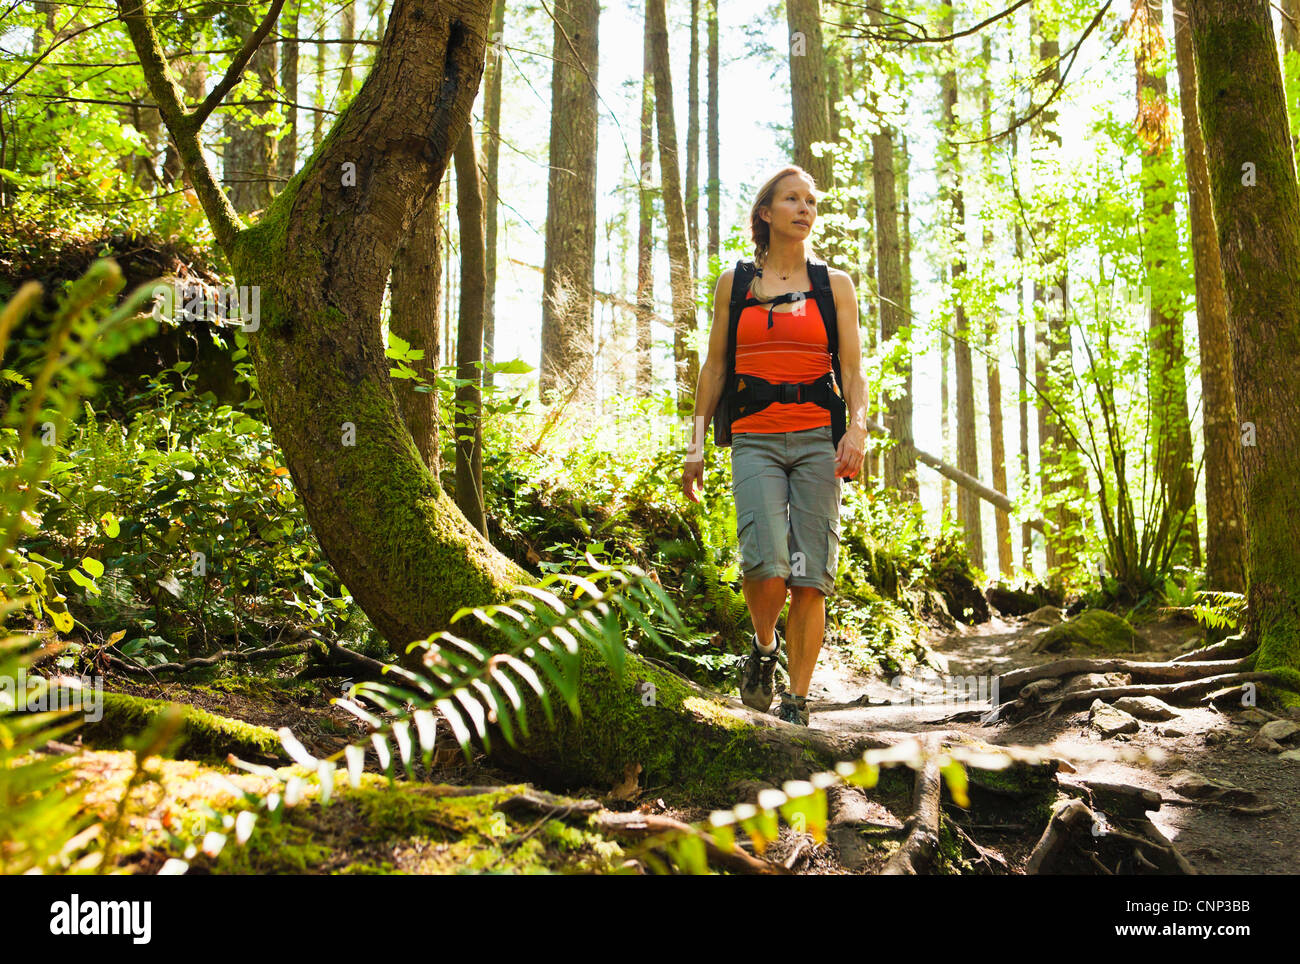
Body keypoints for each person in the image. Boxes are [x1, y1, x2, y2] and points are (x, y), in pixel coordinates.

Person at [681, 165, 867, 726]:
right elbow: (714, 368)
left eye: (811, 200)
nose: (805, 208)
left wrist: (857, 427)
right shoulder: (735, 284)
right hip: (755, 439)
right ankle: (765, 649)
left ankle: (798, 701)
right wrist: (695, 445)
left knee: (811, 576)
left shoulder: (834, 286)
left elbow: (854, 373)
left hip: (818, 442)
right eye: (792, 198)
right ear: (766, 213)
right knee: (767, 566)